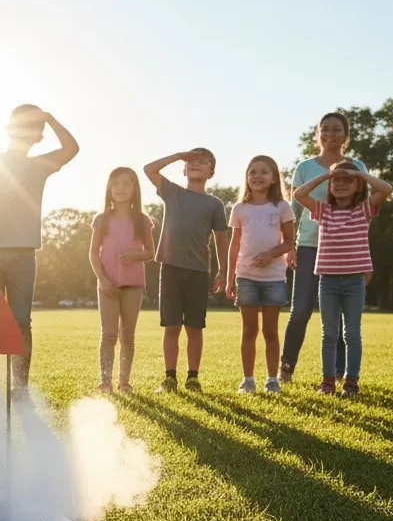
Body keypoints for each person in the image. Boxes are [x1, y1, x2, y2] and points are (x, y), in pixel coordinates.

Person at [0, 105, 79, 390]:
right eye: (19, 125)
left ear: (38, 136)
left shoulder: (39, 165)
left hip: (24, 253)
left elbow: (72, 148)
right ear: (9, 129)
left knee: (21, 321)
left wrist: (49, 118)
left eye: (32, 128)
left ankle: (20, 386)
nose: (24, 132)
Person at [280, 112, 369, 385]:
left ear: (346, 135)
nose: (330, 134)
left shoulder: (358, 166)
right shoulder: (304, 168)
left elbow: (365, 212)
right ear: (316, 134)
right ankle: (286, 368)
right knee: (301, 309)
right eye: (325, 129)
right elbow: (292, 211)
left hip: (348, 255)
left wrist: (366, 258)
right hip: (309, 246)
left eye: (337, 129)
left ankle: (340, 374)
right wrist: (289, 247)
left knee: (341, 317)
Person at [293, 161, 391, 398]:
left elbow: (385, 189)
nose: (341, 184)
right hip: (327, 281)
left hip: (354, 281)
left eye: (348, 180)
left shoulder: (363, 210)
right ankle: (327, 381)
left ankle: (351, 382)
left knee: (352, 333)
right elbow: (298, 194)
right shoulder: (323, 211)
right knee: (329, 333)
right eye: (337, 180)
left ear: (358, 186)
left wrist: (358, 173)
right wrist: (328, 175)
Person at [143, 149, 229, 393]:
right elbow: (149, 169)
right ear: (183, 168)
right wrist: (179, 154)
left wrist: (223, 272)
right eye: (192, 161)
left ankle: (193, 378)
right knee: (171, 326)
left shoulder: (214, 204)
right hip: (170, 268)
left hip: (199, 272)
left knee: (194, 327)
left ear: (211, 173)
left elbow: (222, 240)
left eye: (203, 162)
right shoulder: (173, 192)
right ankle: (169, 378)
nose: (196, 164)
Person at [225, 156, 296, 394]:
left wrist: (270, 255)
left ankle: (272, 380)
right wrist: (229, 279)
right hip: (246, 276)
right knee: (249, 330)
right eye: (252, 172)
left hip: (274, 278)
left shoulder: (281, 207)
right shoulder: (239, 209)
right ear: (246, 178)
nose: (257, 176)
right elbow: (234, 245)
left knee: (270, 331)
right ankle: (248, 380)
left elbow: (289, 242)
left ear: (274, 177)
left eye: (264, 172)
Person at [89, 167, 155, 393]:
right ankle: (105, 381)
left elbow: (151, 252)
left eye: (127, 184)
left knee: (127, 335)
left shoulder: (142, 220)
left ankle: (124, 382)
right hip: (107, 284)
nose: (121, 188)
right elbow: (93, 254)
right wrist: (102, 279)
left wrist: (135, 255)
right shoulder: (101, 219)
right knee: (108, 334)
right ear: (109, 188)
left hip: (133, 284)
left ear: (135, 189)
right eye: (116, 184)